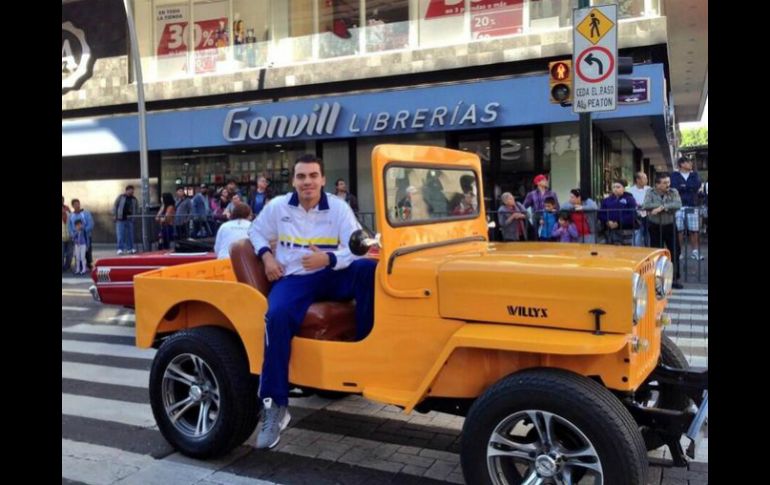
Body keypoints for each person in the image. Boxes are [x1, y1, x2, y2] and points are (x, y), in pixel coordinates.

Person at [247, 154, 377, 449]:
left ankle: (364, 353)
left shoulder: (339, 207)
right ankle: (275, 406)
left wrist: (328, 258)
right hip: (295, 277)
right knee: (276, 315)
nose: (307, 182)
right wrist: (266, 257)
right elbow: (255, 232)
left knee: (369, 270)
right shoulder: (278, 206)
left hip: (331, 273)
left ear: (323, 179)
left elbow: (358, 247)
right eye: (302, 176)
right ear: (294, 181)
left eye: (313, 175)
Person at [643, 172, 683, 289]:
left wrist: (662, 207)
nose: (668, 184)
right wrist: (667, 206)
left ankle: (674, 278)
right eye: (665, 182)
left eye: (668, 182)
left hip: (670, 225)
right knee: (656, 253)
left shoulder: (673, 191)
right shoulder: (650, 192)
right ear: (657, 184)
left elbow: (678, 204)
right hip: (655, 226)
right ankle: (657, 280)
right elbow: (646, 205)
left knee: (675, 252)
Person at [670, 157, 704, 260]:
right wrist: (688, 187)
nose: (691, 164)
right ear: (682, 164)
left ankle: (695, 252)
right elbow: (674, 187)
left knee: (694, 230)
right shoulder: (674, 175)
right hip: (678, 206)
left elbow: (697, 185)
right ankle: (678, 252)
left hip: (692, 205)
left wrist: (684, 186)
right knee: (679, 230)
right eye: (689, 162)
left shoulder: (694, 175)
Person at [599, 180, 637, 245]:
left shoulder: (630, 199)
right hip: (609, 230)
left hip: (626, 230)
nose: (615, 189)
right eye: (614, 187)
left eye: (618, 187)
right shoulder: (606, 200)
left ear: (623, 188)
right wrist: (607, 221)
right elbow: (601, 213)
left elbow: (632, 214)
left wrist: (618, 223)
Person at [68, 199, 95, 269]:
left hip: (86, 236)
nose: (77, 205)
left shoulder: (86, 213)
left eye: (78, 204)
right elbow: (69, 226)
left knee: (87, 251)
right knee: (77, 252)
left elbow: (91, 223)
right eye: (75, 204)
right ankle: (79, 265)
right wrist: (72, 234)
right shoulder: (71, 215)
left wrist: (84, 230)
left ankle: (89, 264)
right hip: (76, 237)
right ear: (72, 206)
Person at [627, 172, 651, 246]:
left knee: (648, 233)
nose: (647, 180)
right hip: (636, 215)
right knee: (638, 234)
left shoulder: (649, 189)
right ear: (638, 180)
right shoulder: (630, 190)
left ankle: (648, 247)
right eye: (645, 178)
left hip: (648, 215)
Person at [113, 185, 138, 254]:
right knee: (120, 234)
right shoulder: (121, 197)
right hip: (120, 218)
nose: (132, 192)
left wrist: (134, 217)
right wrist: (115, 215)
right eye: (130, 191)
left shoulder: (134, 199)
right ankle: (120, 249)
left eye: (132, 191)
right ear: (127, 190)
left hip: (129, 219)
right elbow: (115, 206)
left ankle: (130, 248)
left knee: (130, 235)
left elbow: (136, 208)